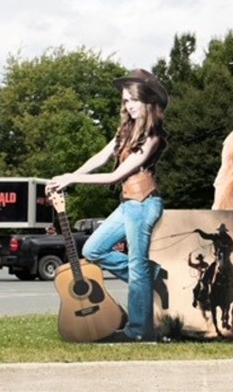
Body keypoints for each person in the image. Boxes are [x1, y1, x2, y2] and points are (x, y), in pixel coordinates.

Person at [47, 68, 169, 342]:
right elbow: (100, 158)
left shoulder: (152, 136)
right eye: (125, 101)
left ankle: (139, 332)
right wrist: (68, 176)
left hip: (144, 203)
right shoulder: (125, 131)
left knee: (136, 266)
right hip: (128, 204)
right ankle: (154, 275)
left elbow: (115, 175)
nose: (129, 105)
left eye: (133, 100)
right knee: (93, 249)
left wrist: (71, 180)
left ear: (148, 100)